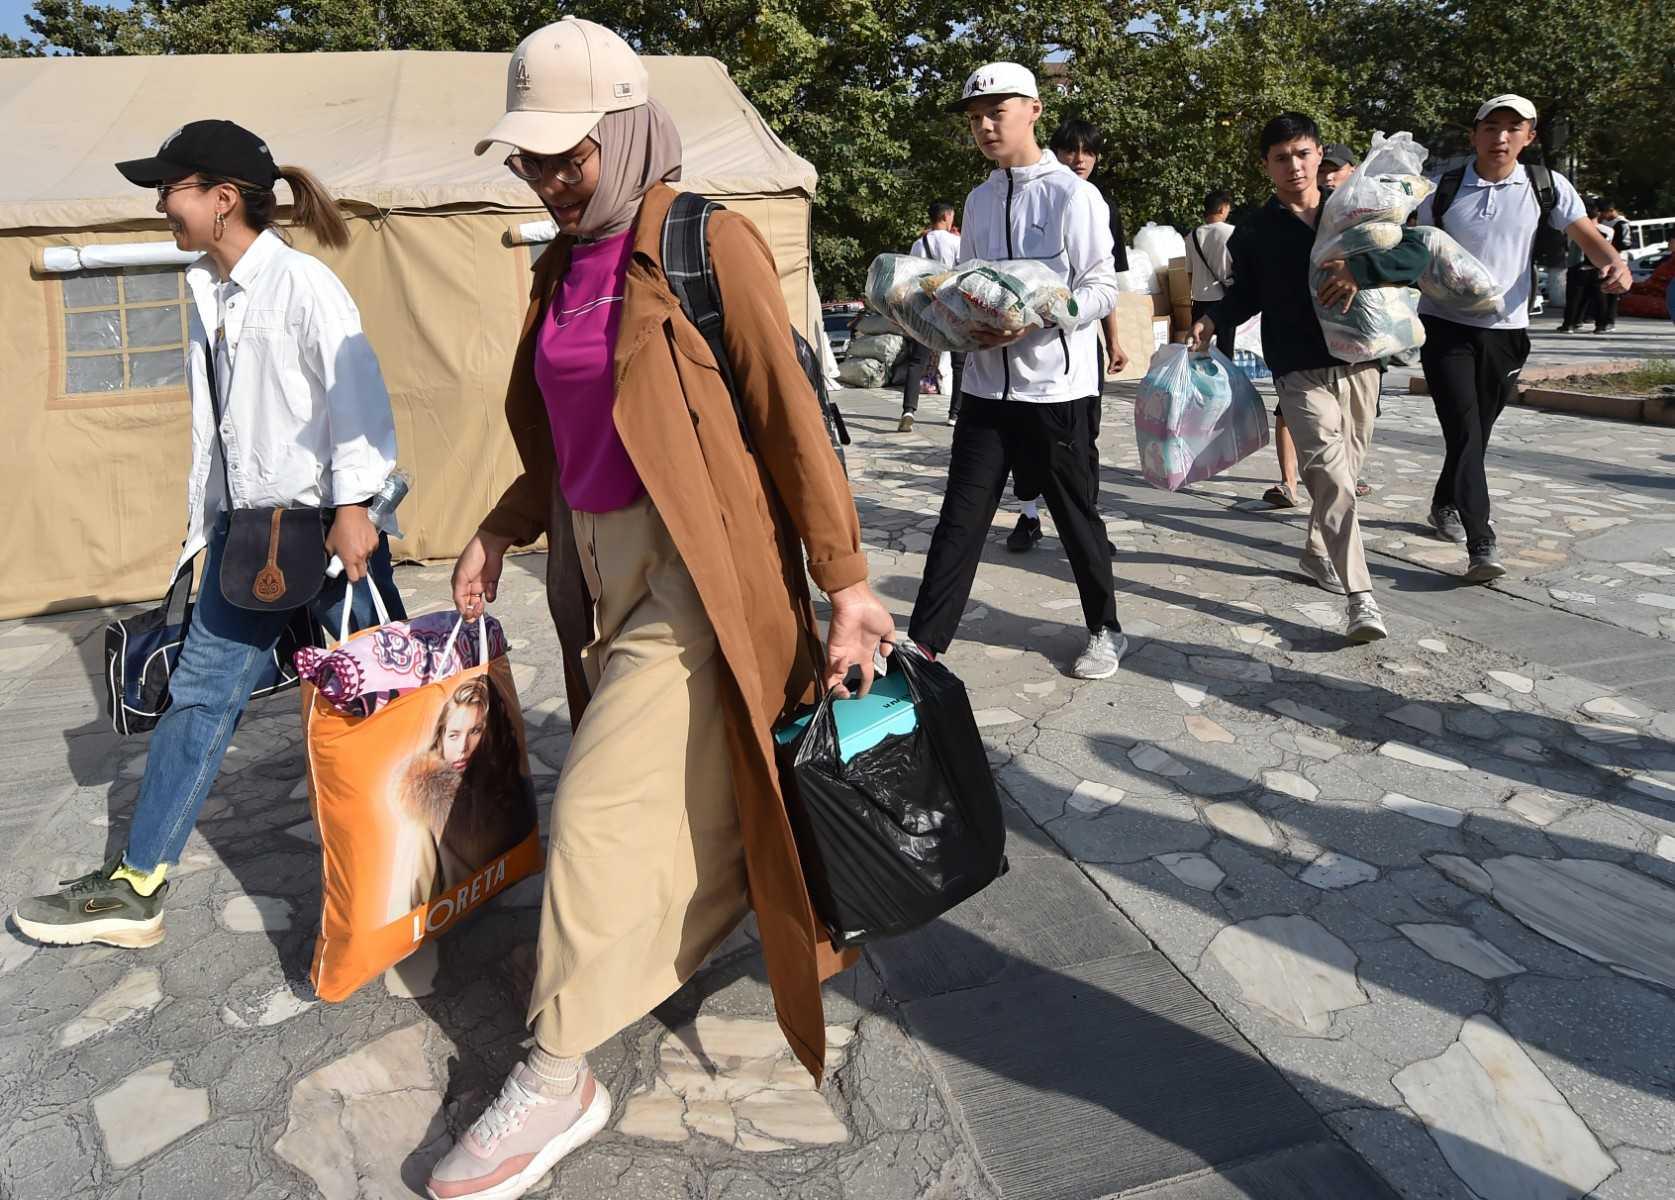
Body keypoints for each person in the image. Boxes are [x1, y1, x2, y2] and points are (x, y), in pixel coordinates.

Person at [434, 19, 893, 1198]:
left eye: (566, 154)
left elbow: (789, 415)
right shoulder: (558, 266)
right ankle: (697, 912)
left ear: (628, 129)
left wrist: (846, 582)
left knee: (591, 806)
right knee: (669, 782)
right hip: (593, 566)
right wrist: (498, 526)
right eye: (528, 159)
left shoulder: (706, 239)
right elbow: (562, 438)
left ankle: (558, 1067)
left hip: (696, 568)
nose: (544, 177)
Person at [12, 120, 403, 950]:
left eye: (171, 188)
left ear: (223, 199)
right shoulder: (212, 293)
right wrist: (205, 532)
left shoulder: (303, 287)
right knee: (217, 699)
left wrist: (355, 506)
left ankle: (416, 859)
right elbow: (221, 435)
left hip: (322, 538)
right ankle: (142, 881)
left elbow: (356, 399)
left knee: (371, 703)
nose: (161, 204)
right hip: (247, 540)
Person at [908, 63, 1125, 680]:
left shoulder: (1073, 195)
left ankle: (1104, 628)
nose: (983, 126)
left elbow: (1101, 286)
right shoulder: (977, 199)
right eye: (975, 117)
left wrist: (1049, 318)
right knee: (961, 515)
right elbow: (971, 286)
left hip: (1055, 389)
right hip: (983, 388)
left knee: (1075, 512)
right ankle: (924, 646)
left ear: (1032, 110)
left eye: (995, 112)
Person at [1191, 112, 1426, 643]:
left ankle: (1317, 552)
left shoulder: (1354, 208)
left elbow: (1415, 251)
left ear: (1320, 154)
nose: (1294, 166)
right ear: (1266, 166)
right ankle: (1361, 598)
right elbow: (1245, 291)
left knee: (1344, 474)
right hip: (1297, 369)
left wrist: (1358, 271)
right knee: (1333, 477)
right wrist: (1211, 319)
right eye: (1281, 158)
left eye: (1302, 153)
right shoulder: (1253, 229)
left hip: (1361, 362)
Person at [1415, 94, 1629, 582]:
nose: (1501, 137)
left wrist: (1612, 265)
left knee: (1476, 433)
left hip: (1507, 331)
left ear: (1529, 137)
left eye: (1514, 128)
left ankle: (1445, 500)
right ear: (1474, 134)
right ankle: (1481, 540)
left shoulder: (1545, 186)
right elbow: (1415, 247)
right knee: (1466, 429)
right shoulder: (1443, 190)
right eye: (1491, 127)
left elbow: (1585, 234)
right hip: (1445, 327)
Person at [1003, 117, 1132, 556]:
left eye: (1089, 152)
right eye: (1071, 150)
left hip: (1078, 348)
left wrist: (1113, 341)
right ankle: (1029, 516)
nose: (1080, 160)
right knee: (1024, 441)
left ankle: (1087, 525)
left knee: (1083, 441)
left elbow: (1103, 283)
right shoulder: (1022, 198)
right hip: (1019, 350)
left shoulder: (1099, 203)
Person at [393, 675, 536, 916]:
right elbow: (405, 915)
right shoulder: (422, 816)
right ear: (440, 738)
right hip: (449, 937)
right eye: (454, 734)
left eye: (476, 731)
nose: (463, 747)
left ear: (490, 735)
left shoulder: (508, 787)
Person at [898, 201, 965, 432]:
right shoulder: (957, 242)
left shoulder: (919, 244)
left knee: (917, 361)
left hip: (925, 308)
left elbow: (910, 275)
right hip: (953, 309)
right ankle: (954, 414)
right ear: (947, 217)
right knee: (959, 363)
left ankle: (908, 411)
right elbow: (965, 273)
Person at [1187, 190, 1237, 358]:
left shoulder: (1191, 236)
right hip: (1225, 299)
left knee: (1199, 350)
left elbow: (1189, 273)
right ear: (1222, 208)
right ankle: (1225, 382)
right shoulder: (1232, 232)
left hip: (1200, 301)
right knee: (1225, 352)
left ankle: (1201, 383)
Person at [1556, 198, 1605, 333]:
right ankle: (1601, 325)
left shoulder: (1572, 231)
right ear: (1598, 214)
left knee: (1573, 298)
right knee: (1598, 298)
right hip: (1597, 267)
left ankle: (1570, 324)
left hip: (1577, 267)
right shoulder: (1607, 230)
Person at [1595, 200, 1631, 333]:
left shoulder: (1622, 224)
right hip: (1603, 262)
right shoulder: (1603, 223)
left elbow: (1625, 244)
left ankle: (1610, 321)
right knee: (1601, 292)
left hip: (1618, 261)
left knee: (1612, 293)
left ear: (1610, 211)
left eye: (1603, 212)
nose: (1602, 215)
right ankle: (1600, 319)